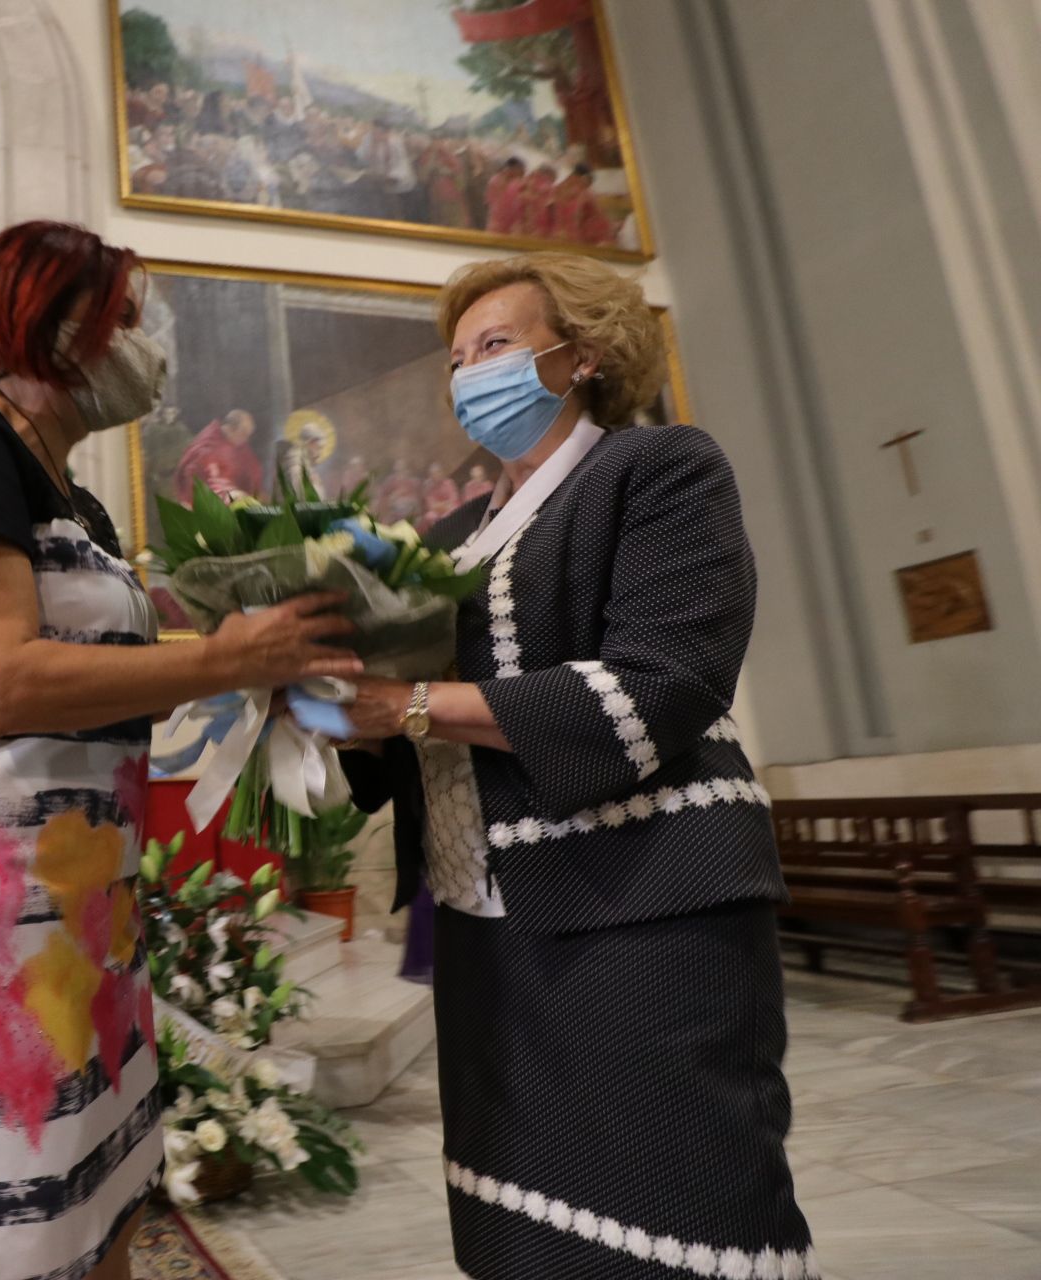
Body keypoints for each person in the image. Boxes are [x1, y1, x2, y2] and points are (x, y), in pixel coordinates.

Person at [0, 221, 361, 1280]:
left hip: (85, 892)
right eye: (126, 317)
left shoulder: (74, 495)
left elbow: (107, 661)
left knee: (101, 1170)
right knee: (15, 1195)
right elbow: (1, 680)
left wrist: (258, 642)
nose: (148, 342)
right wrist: (223, 659)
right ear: (52, 324)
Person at [338, 253, 813, 1279]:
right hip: (487, 917)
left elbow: (666, 680)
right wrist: (333, 714)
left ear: (582, 354)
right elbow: (413, 729)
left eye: (495, 346)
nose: (469, 373)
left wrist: (408, 703)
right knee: (527, 1217)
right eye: (457, 357)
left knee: (683, 1197)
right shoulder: (450, 536)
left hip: (641, 900)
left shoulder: (659, 467)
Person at [172, 409, 262, 500]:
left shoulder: (238, 443)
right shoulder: (207, 450)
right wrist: (231, 494)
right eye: (244, 434)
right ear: (231, 428)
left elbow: (252, 469)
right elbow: (198, 483)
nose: (246, 440)